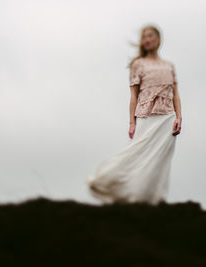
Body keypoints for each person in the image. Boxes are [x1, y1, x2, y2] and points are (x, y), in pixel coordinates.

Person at [86, 25, 182, 205]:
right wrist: (132, 123)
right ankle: (108, 183)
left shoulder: (169, 66)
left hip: (167, 118)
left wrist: (179, 117)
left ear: (159, 39)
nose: (147, 39)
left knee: (159, 162)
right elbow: (133, 96)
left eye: (151, 36)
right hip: (145, 116)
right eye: (144, 37)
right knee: (137, 154)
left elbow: (176, 94)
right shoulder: (137, 64)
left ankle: (152, 201)